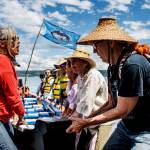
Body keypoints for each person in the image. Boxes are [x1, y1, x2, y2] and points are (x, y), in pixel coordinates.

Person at [67, 17, 150, 149]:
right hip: (126, 126)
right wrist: (88, 118)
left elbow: (122, 110)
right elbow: (111, 103)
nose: (94, 51)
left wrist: (87, 122)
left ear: (111, 43)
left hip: (145, 132)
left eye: (96, 45)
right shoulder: (112, 67)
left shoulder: (133, 65)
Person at [66, 48, 108, 150]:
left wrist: (74, 119)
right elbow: (79, 100)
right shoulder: (81, 76)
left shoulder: (92, 75)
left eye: (75, 61)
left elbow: (86, 102)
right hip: (89, 119)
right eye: (71, 62)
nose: (72, 65)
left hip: (102, 121)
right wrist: (72, 116)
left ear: (85, 63)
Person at [0, 27, 25, 149]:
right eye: (14, 39)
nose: (18, 42)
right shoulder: (3, 60)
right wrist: (21, 115)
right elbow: (13, 96)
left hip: (4, 117)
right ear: (2, 44)